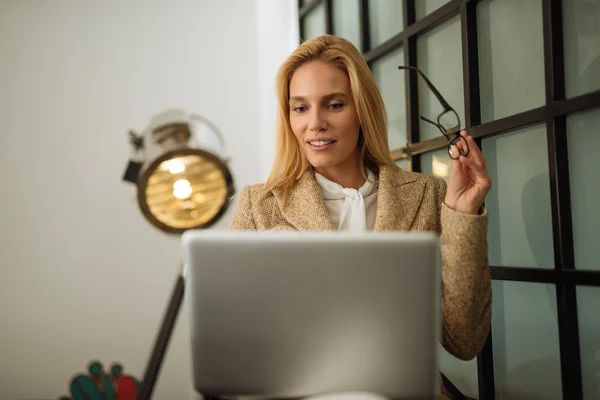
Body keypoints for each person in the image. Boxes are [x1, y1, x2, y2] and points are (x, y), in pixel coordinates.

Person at [229, 34, 492, 399]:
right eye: (300, 108)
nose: (315, 123)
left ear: (362, 109)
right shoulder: (259, 205)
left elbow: (464, 340)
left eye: (334, 105)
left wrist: (463, 212)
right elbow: (234, 343)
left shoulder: (428, 195)